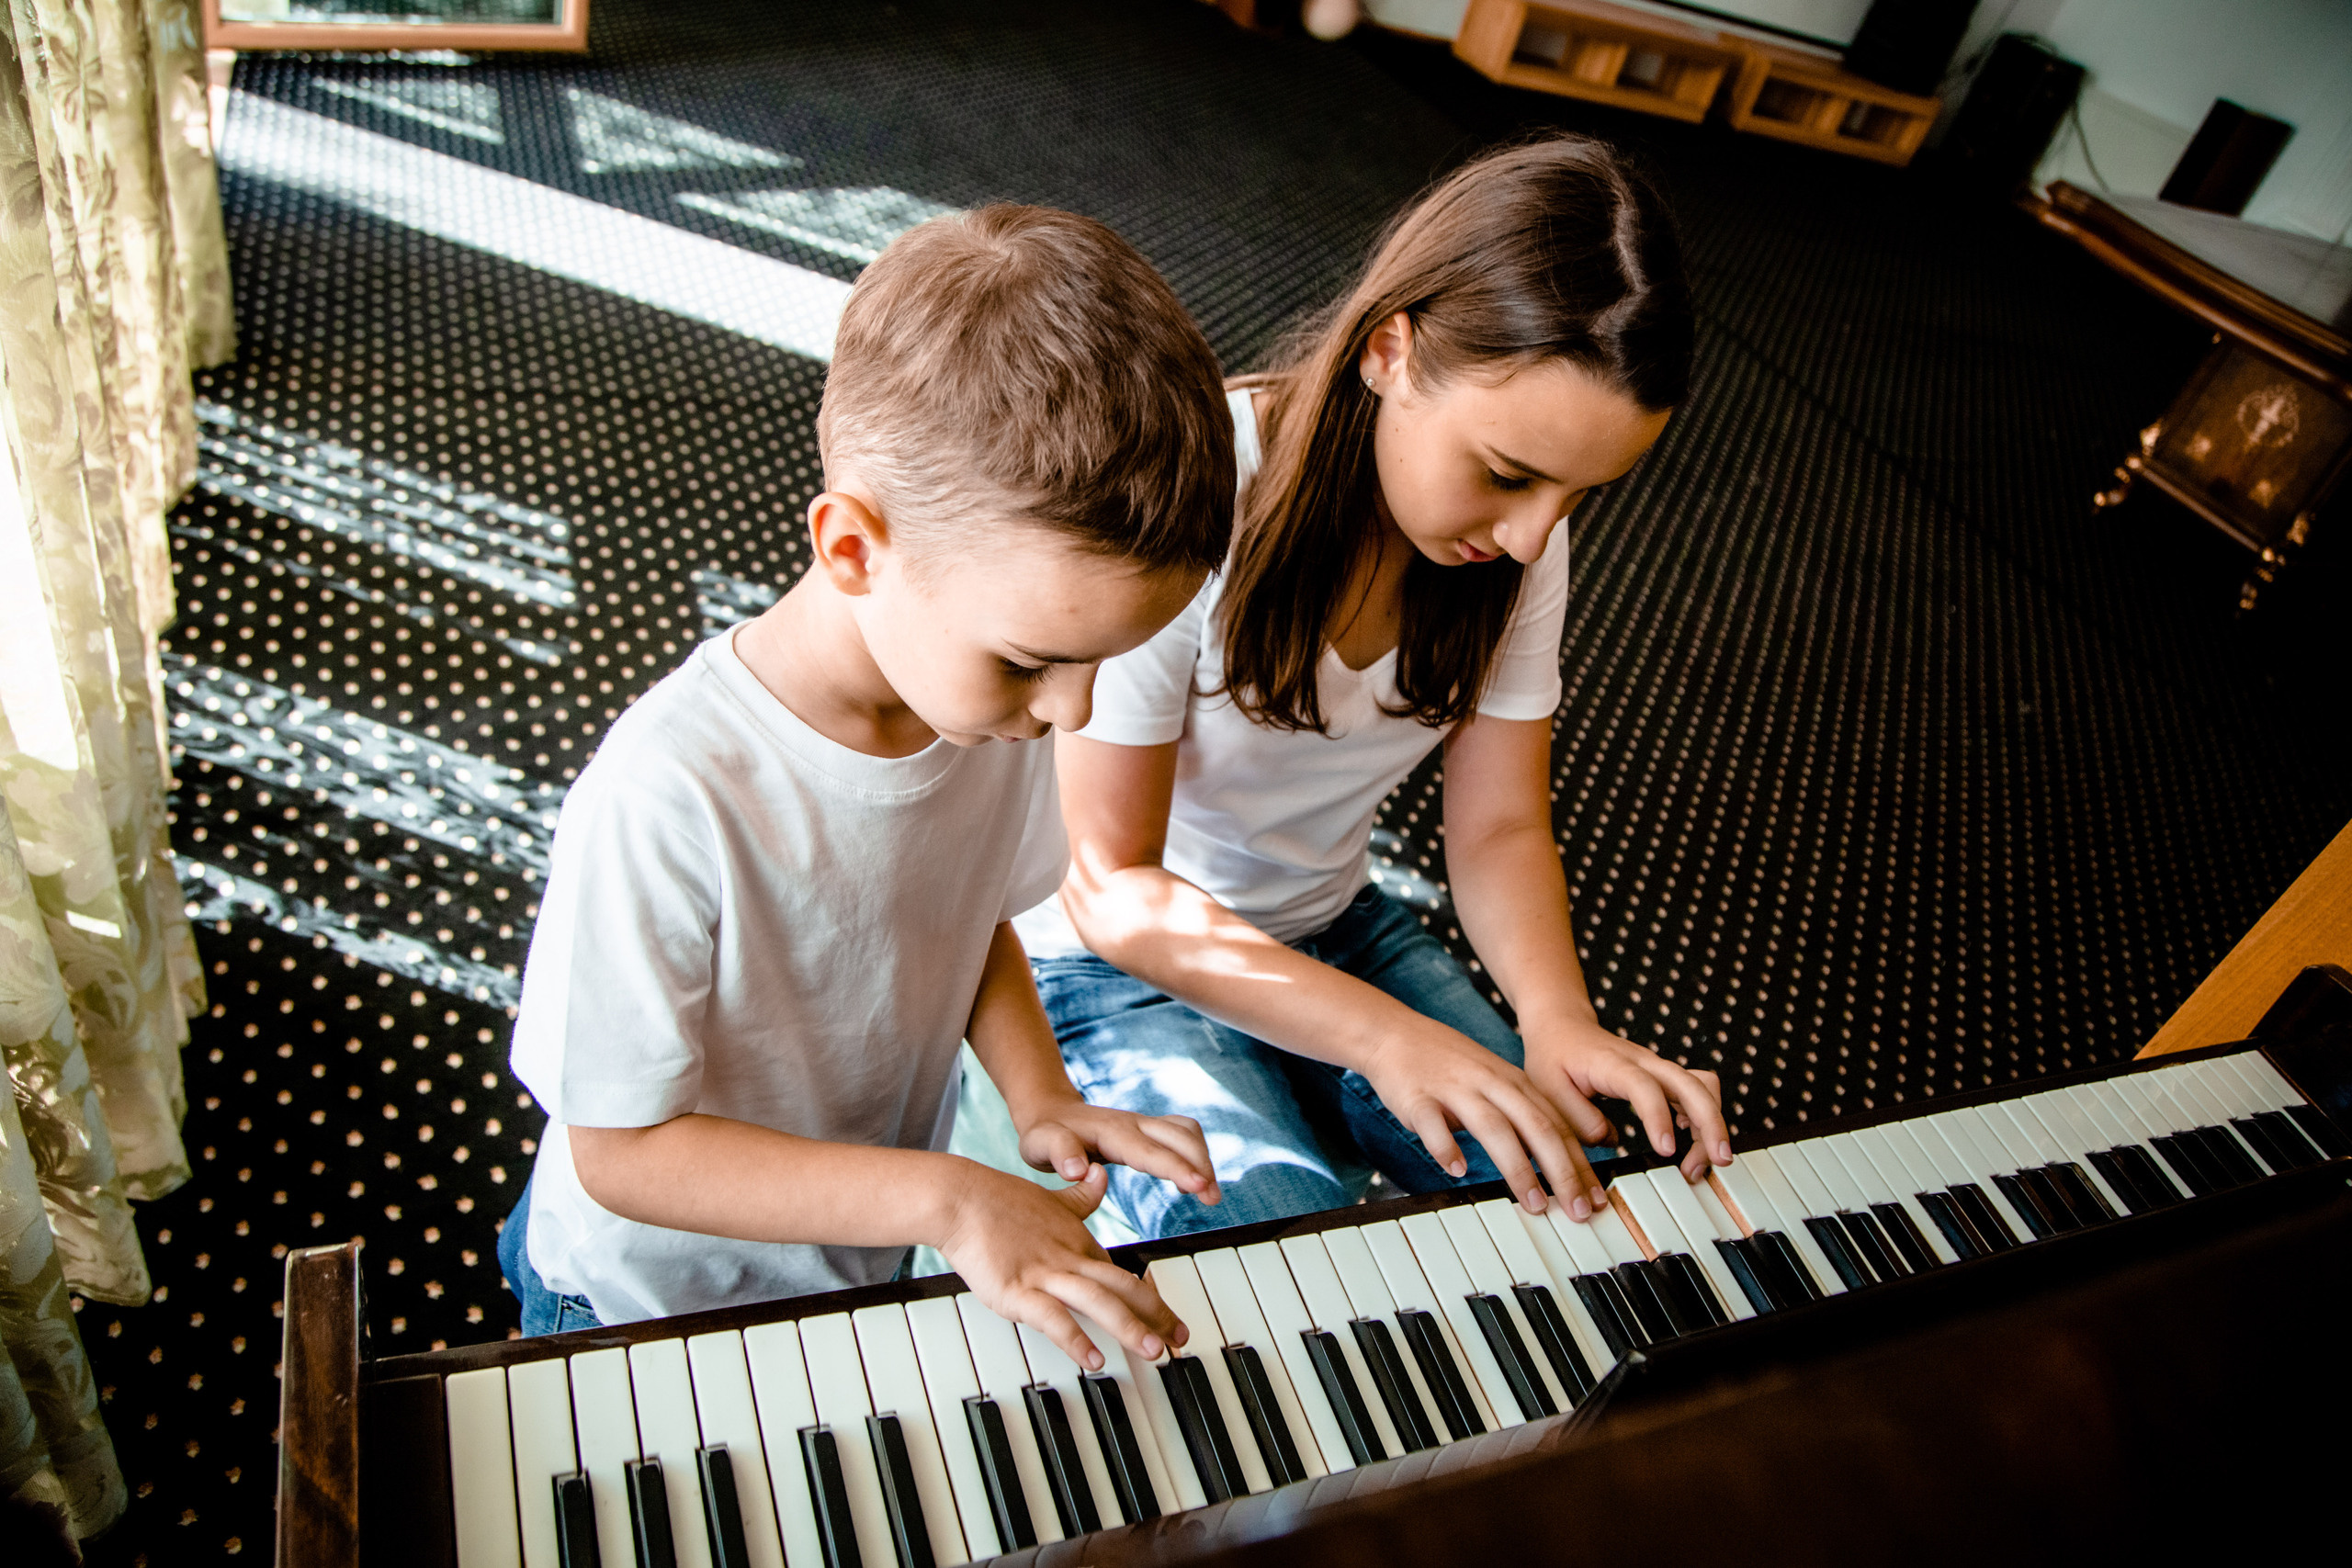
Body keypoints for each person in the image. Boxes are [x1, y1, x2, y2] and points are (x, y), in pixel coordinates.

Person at [499, 205, 1235, 1371]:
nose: (1073, 712)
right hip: (644, 1301)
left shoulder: (985, 708)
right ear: (852, 548)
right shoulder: (667, 796)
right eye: (1034, 659)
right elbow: (621, 1153)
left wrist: (1037, 1098)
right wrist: (944, 1200)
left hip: (854, 1257)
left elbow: (970, 913)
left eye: (1107, 660)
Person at [1013, 137, 1732, 1244]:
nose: (1538, 531)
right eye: (1507, 474)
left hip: (1332, 925)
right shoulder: (1201, 492)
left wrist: (1559, 1022)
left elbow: (1496, 827)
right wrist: (1381, 1038)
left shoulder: (1520, 543)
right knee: (1274, 1249)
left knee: (1586, 1199)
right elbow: (1113, 885)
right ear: (1388, 352)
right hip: (1118, 968)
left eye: (1583, 495)